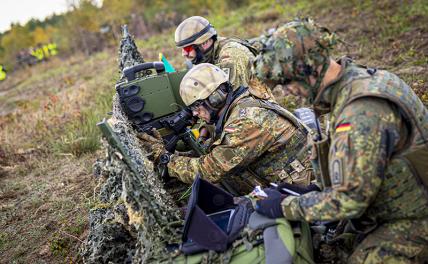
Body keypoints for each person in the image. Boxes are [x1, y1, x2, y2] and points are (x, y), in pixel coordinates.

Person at [252, 18, 428, 263]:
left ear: (308, 70)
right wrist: (313, 191)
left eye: (287, 81)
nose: (287, 91)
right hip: (390, 202)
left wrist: (285, 206)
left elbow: (351, 200)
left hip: (413, 218)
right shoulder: (358, 81)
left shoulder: (359, 113)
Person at [140, 63, 313, 195]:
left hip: (304, 189)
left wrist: (165, 158)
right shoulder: (242, 102)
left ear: (215, 99)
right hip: (292, 176)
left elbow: (209, 170)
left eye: (198, 107)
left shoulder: (246, 121)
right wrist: (177, 157)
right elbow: (217, 156)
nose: (195, 114)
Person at [174, 16, 273, 100]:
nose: (184, 54)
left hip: (259, 108)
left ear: (204, 43)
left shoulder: (230, 55)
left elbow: (229, 97)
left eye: (187, 48)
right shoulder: (209, 56)